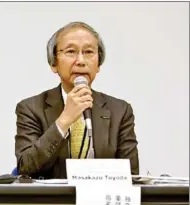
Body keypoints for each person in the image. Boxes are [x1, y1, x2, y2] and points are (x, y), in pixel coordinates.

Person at [14, 21, 139, 179]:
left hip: (100, 200)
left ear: (98, 64)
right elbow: (26, 166)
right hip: (51, 202)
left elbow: (131, 175)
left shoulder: (120, 111)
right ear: (54, 63)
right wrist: (64, 120)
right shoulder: (30, 108)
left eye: (88, 52)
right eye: (71, 51)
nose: (80, 60)